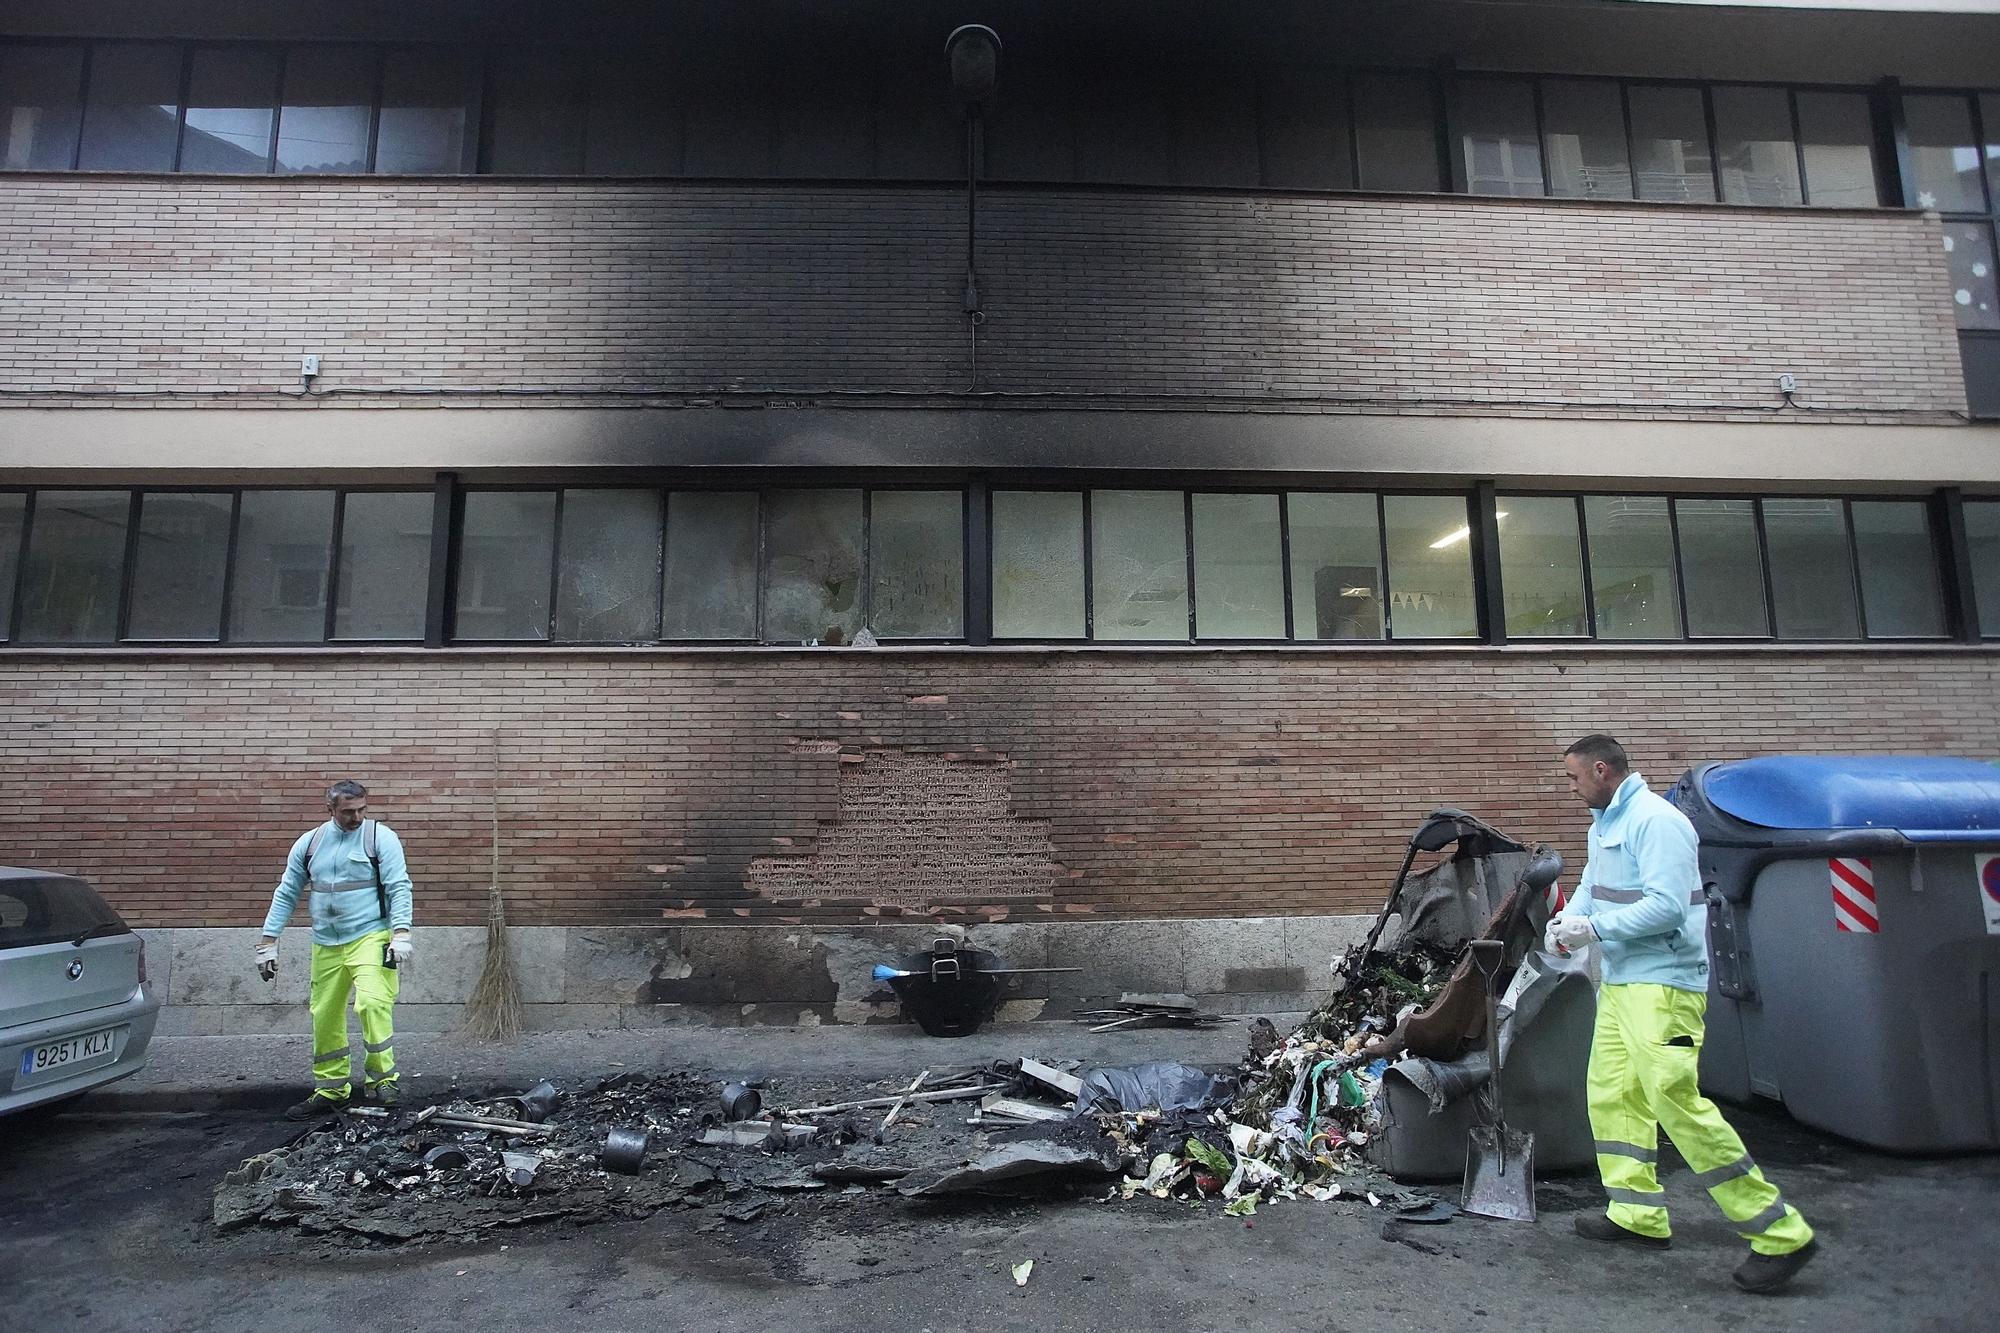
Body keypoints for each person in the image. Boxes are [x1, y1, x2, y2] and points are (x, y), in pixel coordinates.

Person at [1547, 735, 1818, 1294]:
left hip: (1665, 984)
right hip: (1625, 982)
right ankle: (1636, 1212)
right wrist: (1566, 923)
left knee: (1675, 1099)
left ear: (1601, 770)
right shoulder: (1606, 825)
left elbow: (1667, 906)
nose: (1571, 788)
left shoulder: (1657, 821)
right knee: (1611, 1092)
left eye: (1574, 778)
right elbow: (1591, 892)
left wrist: (1591, 930)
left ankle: (1779, 1233)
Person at [254, 780, 415, 1120]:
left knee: (373, 1003)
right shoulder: (310, 843)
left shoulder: (379, 838)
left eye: (361, 810)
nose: (356, 817)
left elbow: (399, 886)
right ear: (330, 810)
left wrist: (400, 934)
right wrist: (268, 941)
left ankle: (383, 1081)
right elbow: (287, 891)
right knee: (324, 1014)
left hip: (370, 936)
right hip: (326, 943)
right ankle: (331, 1089)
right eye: (348, 812)